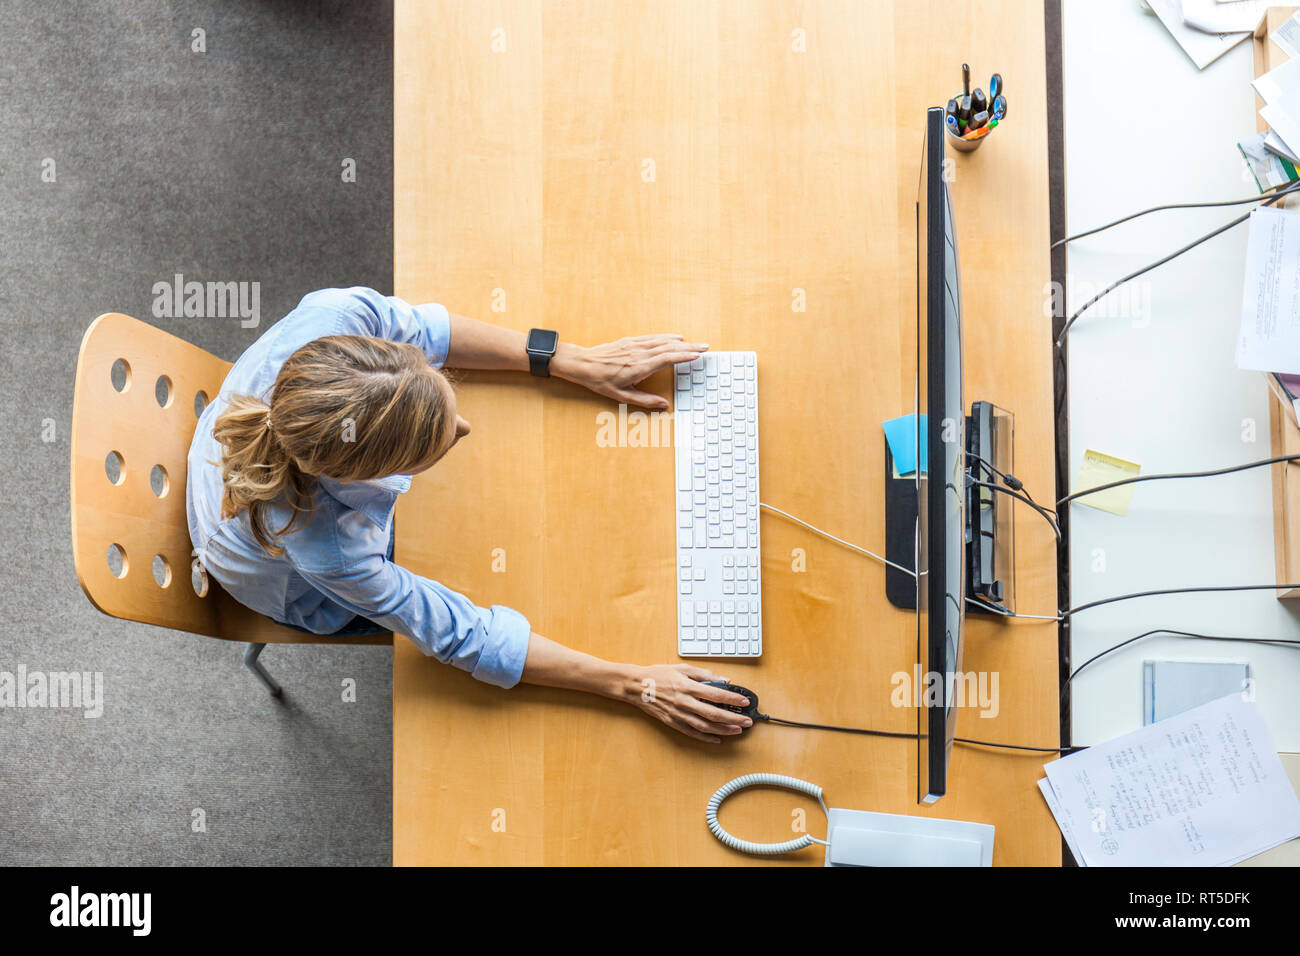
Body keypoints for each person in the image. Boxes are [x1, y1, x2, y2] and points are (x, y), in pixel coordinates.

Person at [186, 287, 751, 742]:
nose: (465, 430)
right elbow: (462, 637)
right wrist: (633, 686)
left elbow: (430, 333)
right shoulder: (331, 549)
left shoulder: (339, 317)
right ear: (364, 478)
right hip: (285, 585)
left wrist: (565, 358)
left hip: (252, 465)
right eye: (437, 446)